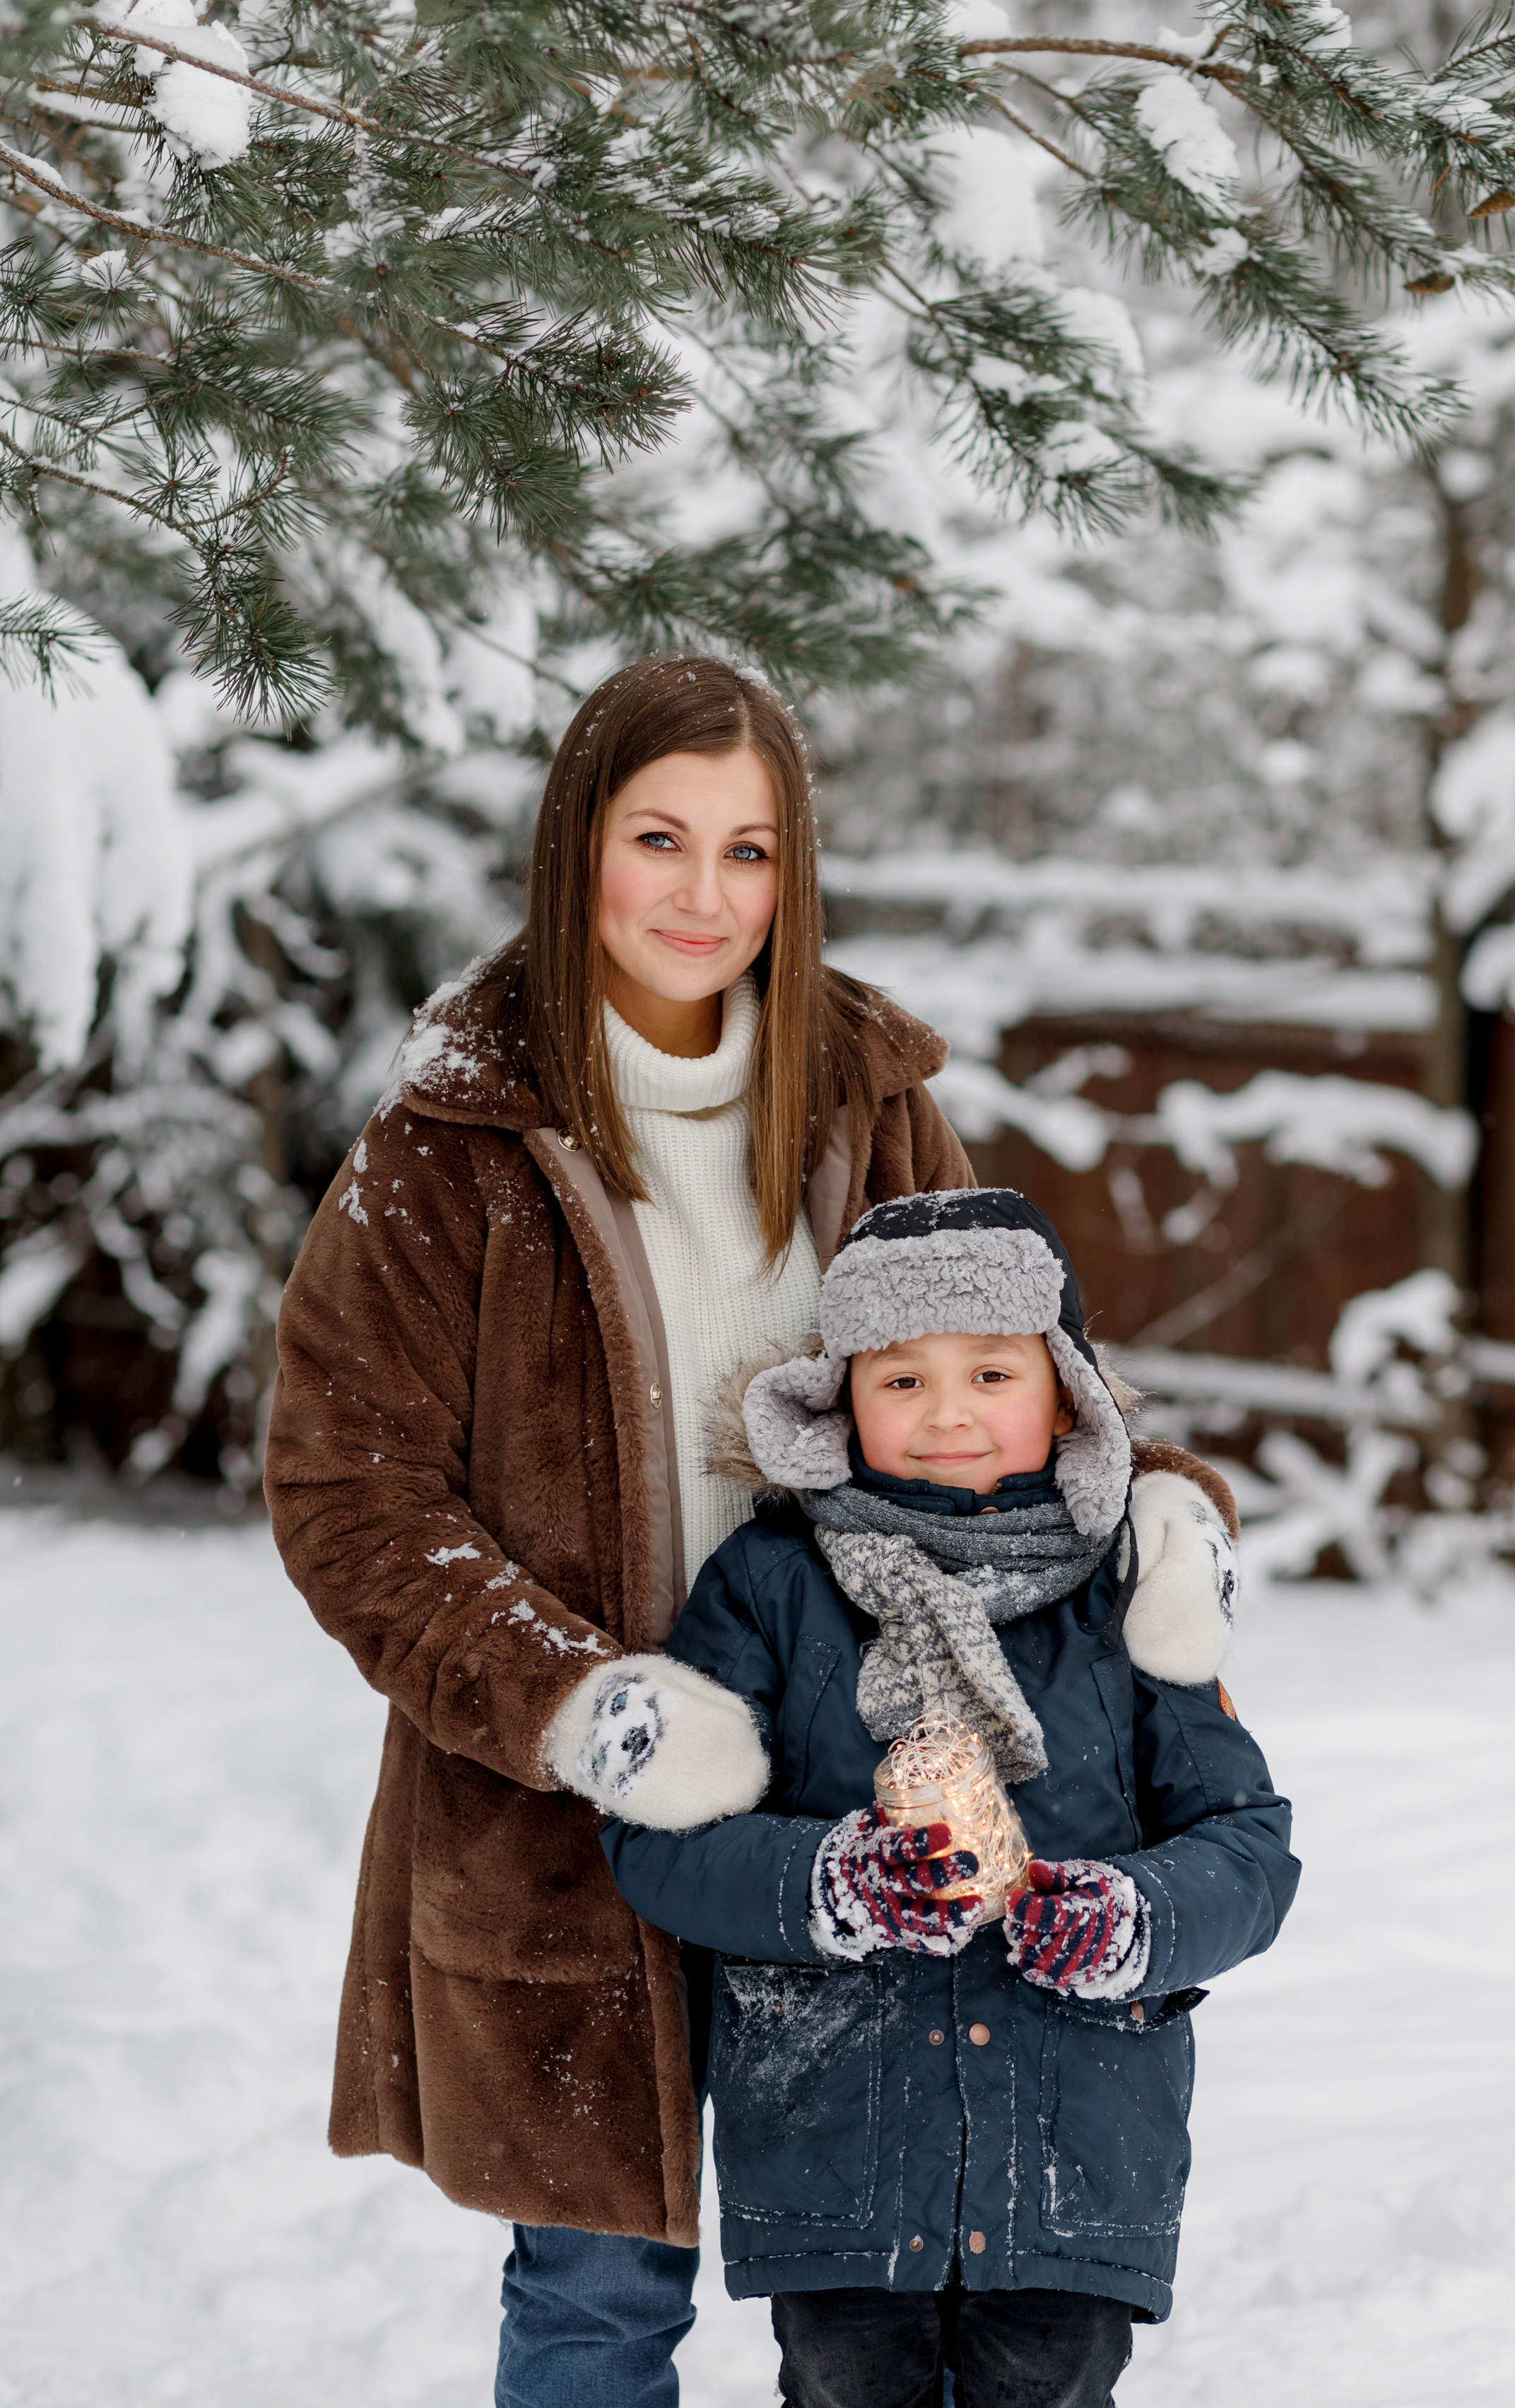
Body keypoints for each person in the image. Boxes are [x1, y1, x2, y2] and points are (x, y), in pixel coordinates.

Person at [263, 655, 979, 2408]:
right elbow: (350, 1490)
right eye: (659, 839)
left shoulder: (866, 1104)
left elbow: (1023, 1382)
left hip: (860, 1802)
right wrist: (590, 1710)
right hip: (565, 1843)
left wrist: (1161, 1523)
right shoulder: (450, 1145)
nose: (703, 894)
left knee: (894, 2315)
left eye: (749, 853)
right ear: (575, 845)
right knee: (596, 2304)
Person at [596, 1187, 1299, 2408]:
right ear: (842, 1400)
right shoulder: (772, 1581)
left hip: (1076, 2144)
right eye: (902, 1380)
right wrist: (826, 1883)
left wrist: (1138, 1916)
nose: (949, 1416)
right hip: (835, 2142)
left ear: (1065, 1391)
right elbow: (658, 1841)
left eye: (990, 1373)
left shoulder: (1130, 1585)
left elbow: (1250, 1844)